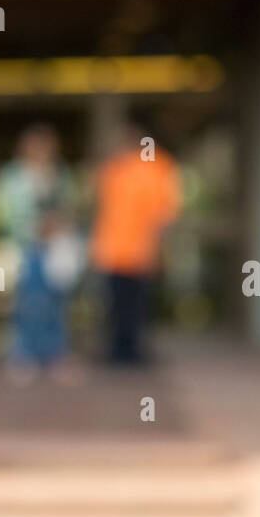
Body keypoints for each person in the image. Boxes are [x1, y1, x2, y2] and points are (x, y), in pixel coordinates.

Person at [0, 124, 81, 385]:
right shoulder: (11, 177)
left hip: (55, 249)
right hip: (24, 247)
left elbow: (72, 207)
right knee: (27, 302)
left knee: (56, 303)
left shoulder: (60, 175)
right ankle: (24, 354)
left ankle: (56, 353)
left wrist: (59, 224)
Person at [89, 117, 182, 364]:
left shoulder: (159, 165)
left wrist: (159, 246)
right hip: (112, 250)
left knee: (139, 306)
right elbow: (102, 209)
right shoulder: (113, 169)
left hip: (142, 250)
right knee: (114, 304)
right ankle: (116, 351)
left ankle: (134, 351)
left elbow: (166, 211)